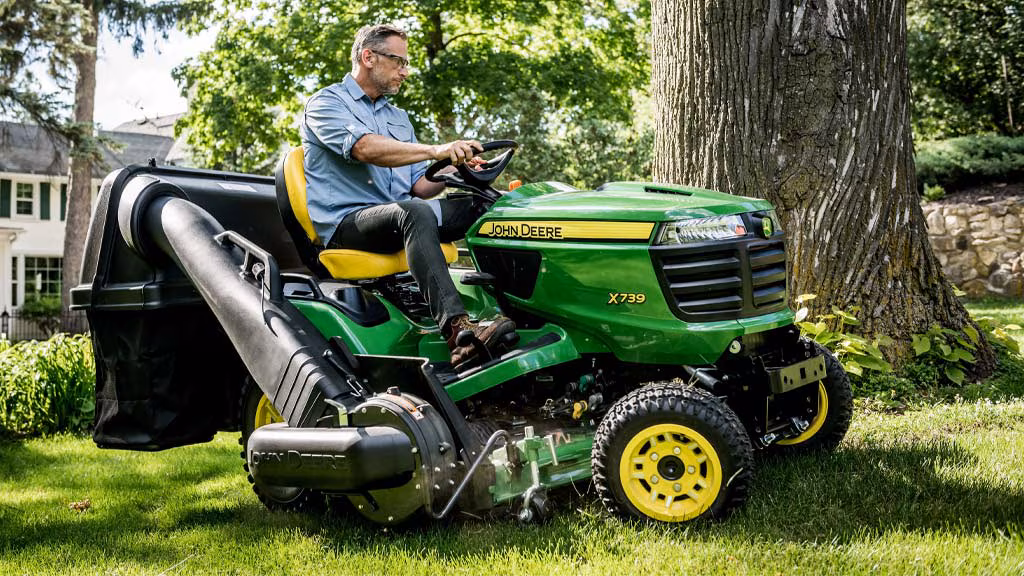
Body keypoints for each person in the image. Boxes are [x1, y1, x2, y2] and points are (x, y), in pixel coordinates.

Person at [299, 23, 514, 367]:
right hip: (348, 225)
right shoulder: (326, 104)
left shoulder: (397, 117)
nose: (405, 71)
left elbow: (420, 185)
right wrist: (436, 148)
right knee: (412, 212)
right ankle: (458, 333)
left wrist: (457, 166)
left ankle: (518, 311)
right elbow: (365, 149)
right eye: (398, 62)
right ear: (368, 57)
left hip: (402, 216)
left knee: (490, 206)